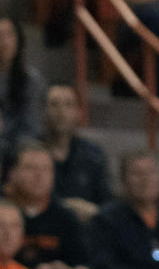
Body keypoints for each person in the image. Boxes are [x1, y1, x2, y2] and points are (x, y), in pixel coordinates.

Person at [4, 142, 92, 269]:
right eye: (30, 168)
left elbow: (86, 267)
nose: (39, 175)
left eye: (45, 169)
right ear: (12, 173)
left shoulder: (65, 216)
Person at [42, 84, 111, 221]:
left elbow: (107, 201)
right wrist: (65, 207)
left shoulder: (94, 155)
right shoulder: (29, 152)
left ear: (79, 112)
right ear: (43, 111)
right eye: (54, 104)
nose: (61, 112)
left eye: (68, 105)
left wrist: (94, 210)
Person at [0, 17, 45, 143]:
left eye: (9, 34)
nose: (4, 42)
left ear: (18, 39)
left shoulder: (31, 79)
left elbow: (33, 126)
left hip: (18, 147)